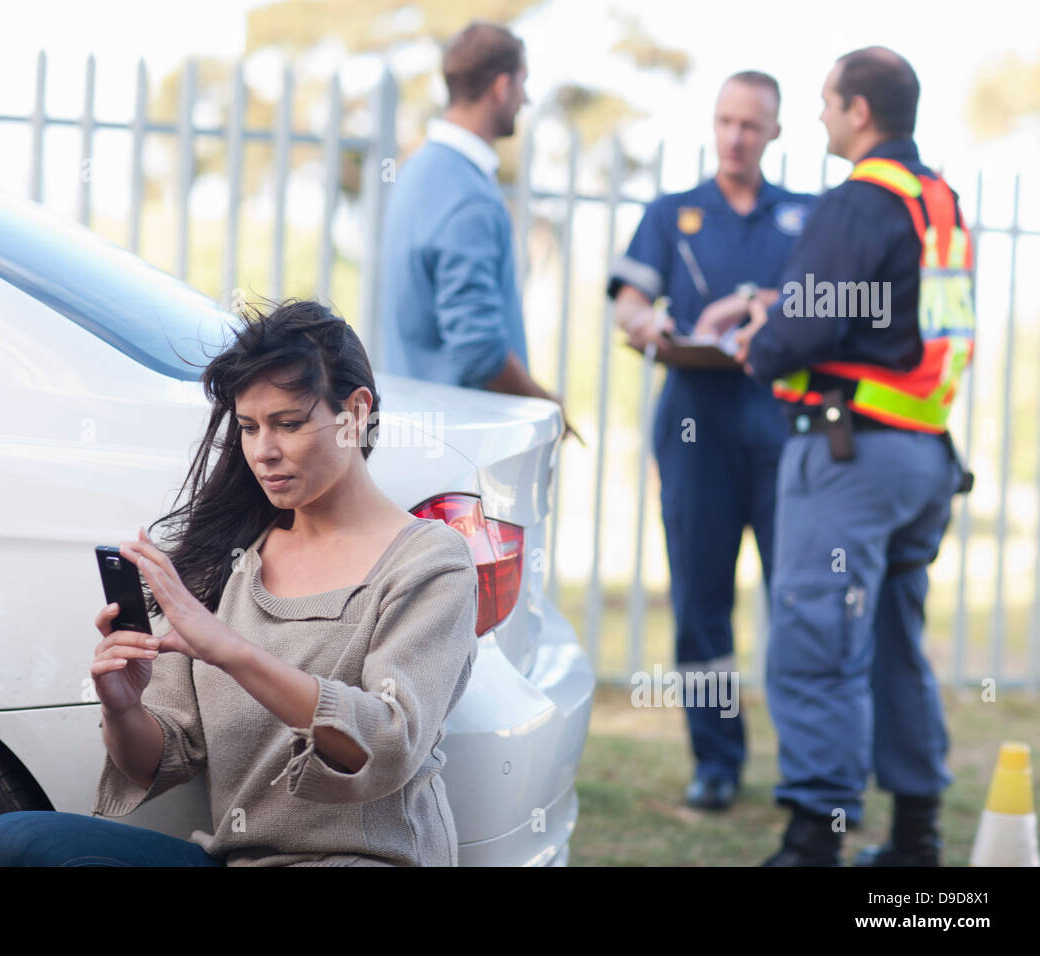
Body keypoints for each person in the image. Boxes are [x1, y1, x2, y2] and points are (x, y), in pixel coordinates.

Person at [0, 300, 480, 867]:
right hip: (236, 861)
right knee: (10, 845)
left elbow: (388, 740)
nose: (263, 452)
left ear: (356, 412)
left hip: (366, 862)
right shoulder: (232, 558)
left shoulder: (430, 561)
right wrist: (122, 707)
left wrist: (229, 650)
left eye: (289, 424)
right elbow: (155, 760)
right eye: (249, 427)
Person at [735, 47, 974, 866]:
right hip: (923, 457)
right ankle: (917, 839)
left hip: (850, 460)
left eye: (828, 102)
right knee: (893, 646)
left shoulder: (857, 202)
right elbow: (901, 326)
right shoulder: (937, 202)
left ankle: (813, 843)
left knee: (817, 642)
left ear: (860, 111)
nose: (822, 116)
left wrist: (758, 341)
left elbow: (801, 333)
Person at [607, 71, 815, 810]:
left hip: (784, 429)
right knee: (701, 600)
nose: (736, 136)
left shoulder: (807, 214)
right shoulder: (673, 213)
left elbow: (832, 301)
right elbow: (631, 302)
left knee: (801, 597)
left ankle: (811, 766)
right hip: (695, 429)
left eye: (751, 125)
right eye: (725, 121)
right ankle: (717, 760)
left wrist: (759, 305)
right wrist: (648, 326)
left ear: (775, 131)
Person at [379, 20, 578, 441]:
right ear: (501, 87)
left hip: (418, 430)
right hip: (461, 441)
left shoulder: (416, 172)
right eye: (523, 84)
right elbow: (478, 351)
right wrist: (547, 408)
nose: (526, 98)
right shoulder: (467, 193)